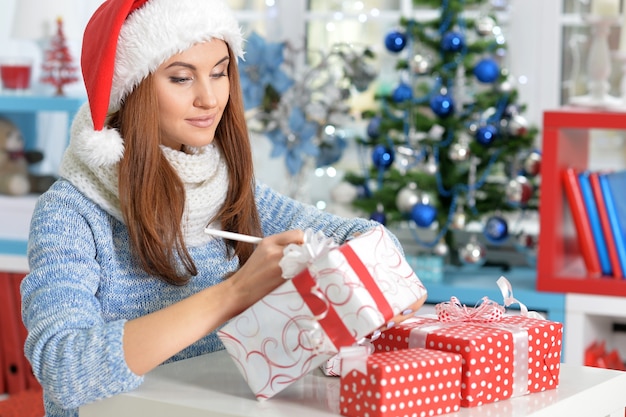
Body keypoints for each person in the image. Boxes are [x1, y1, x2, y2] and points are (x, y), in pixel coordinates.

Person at [20, 0, 424, 416]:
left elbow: (353, 234)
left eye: (219, 72)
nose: (210, 98)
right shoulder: (70, 213)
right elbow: (63, 368)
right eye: (181, 78)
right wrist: (234, 293)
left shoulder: (230, 186)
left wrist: (382, 264)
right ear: (132, 88)